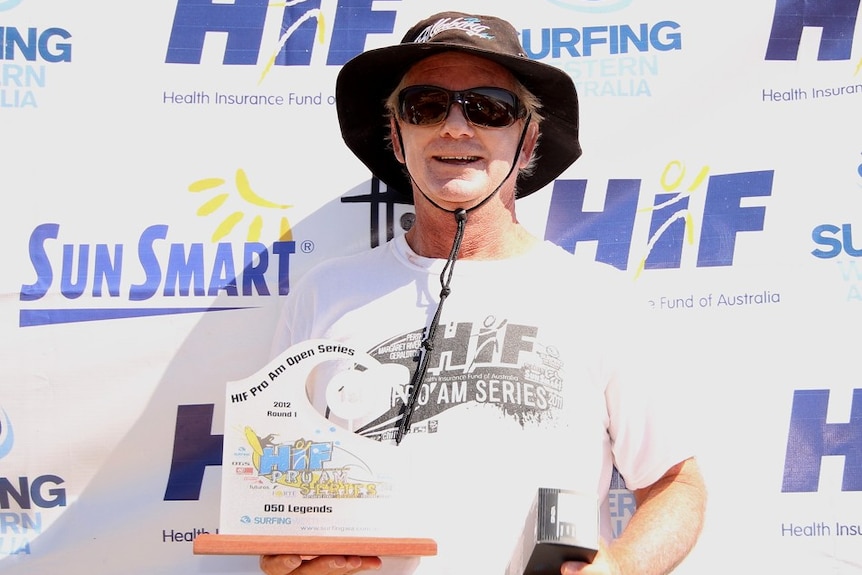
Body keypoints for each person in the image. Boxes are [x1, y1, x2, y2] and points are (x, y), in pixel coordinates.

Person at [262, 10, 706, 575]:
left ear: (528, 141)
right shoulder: (324, 294)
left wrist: (619, 569)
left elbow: (675, 484)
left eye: (488, 108)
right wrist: (285, 559)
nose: (454, 127)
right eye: (425, 106)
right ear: (396, 137)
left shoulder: (601, 301)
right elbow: (276, 496)